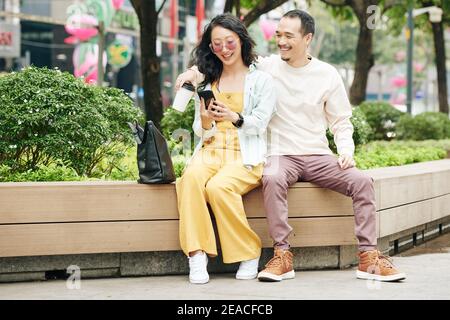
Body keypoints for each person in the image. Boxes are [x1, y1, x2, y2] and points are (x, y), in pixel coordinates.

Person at [176, 9, 406, 283]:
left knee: (362, 182)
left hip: (318, 154)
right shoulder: (267, 66)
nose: (281, 41)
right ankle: (281, 256)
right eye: (278, 35)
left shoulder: (326, 74)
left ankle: (369, 257)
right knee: (268, 177)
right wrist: (191, 72)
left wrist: (346, 152)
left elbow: (342, 121)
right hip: (280, 154)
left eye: (289, 36)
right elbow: (225, 56)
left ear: (307, 38)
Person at [175, 13, 276, 284]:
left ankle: (249, 251)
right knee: (191, 179)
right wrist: (207, 117)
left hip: (247, 154)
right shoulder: (209, 81)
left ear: (241, 40)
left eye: (229, 41)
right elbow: (200, 129)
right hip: (211, 149)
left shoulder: (262, 80)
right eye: (216, 44)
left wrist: (234, 117)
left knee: (218, 187)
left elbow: (260, 123)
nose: (224, 49)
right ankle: (197, 254)